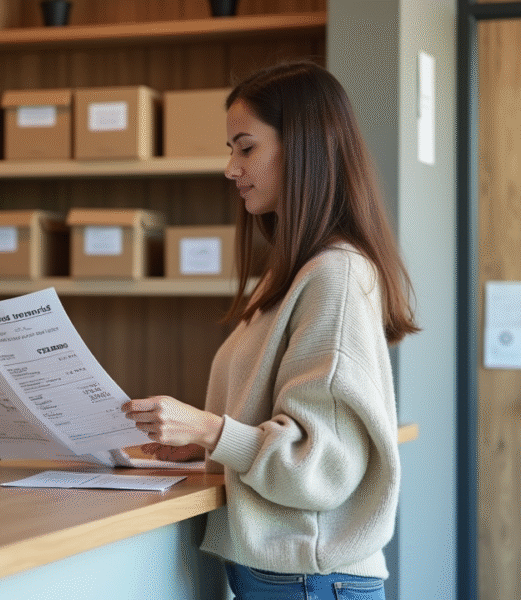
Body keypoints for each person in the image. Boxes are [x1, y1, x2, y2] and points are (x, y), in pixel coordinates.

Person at [121, 59, 419, 599]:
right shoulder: (296, 275)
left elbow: (320, 465)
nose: (230, 168)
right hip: (292, 577)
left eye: (246, 147)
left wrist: (209, 430)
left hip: (311, 578)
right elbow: (280, 423)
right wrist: (205, 448)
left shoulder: (335, 274)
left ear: (303, 147)